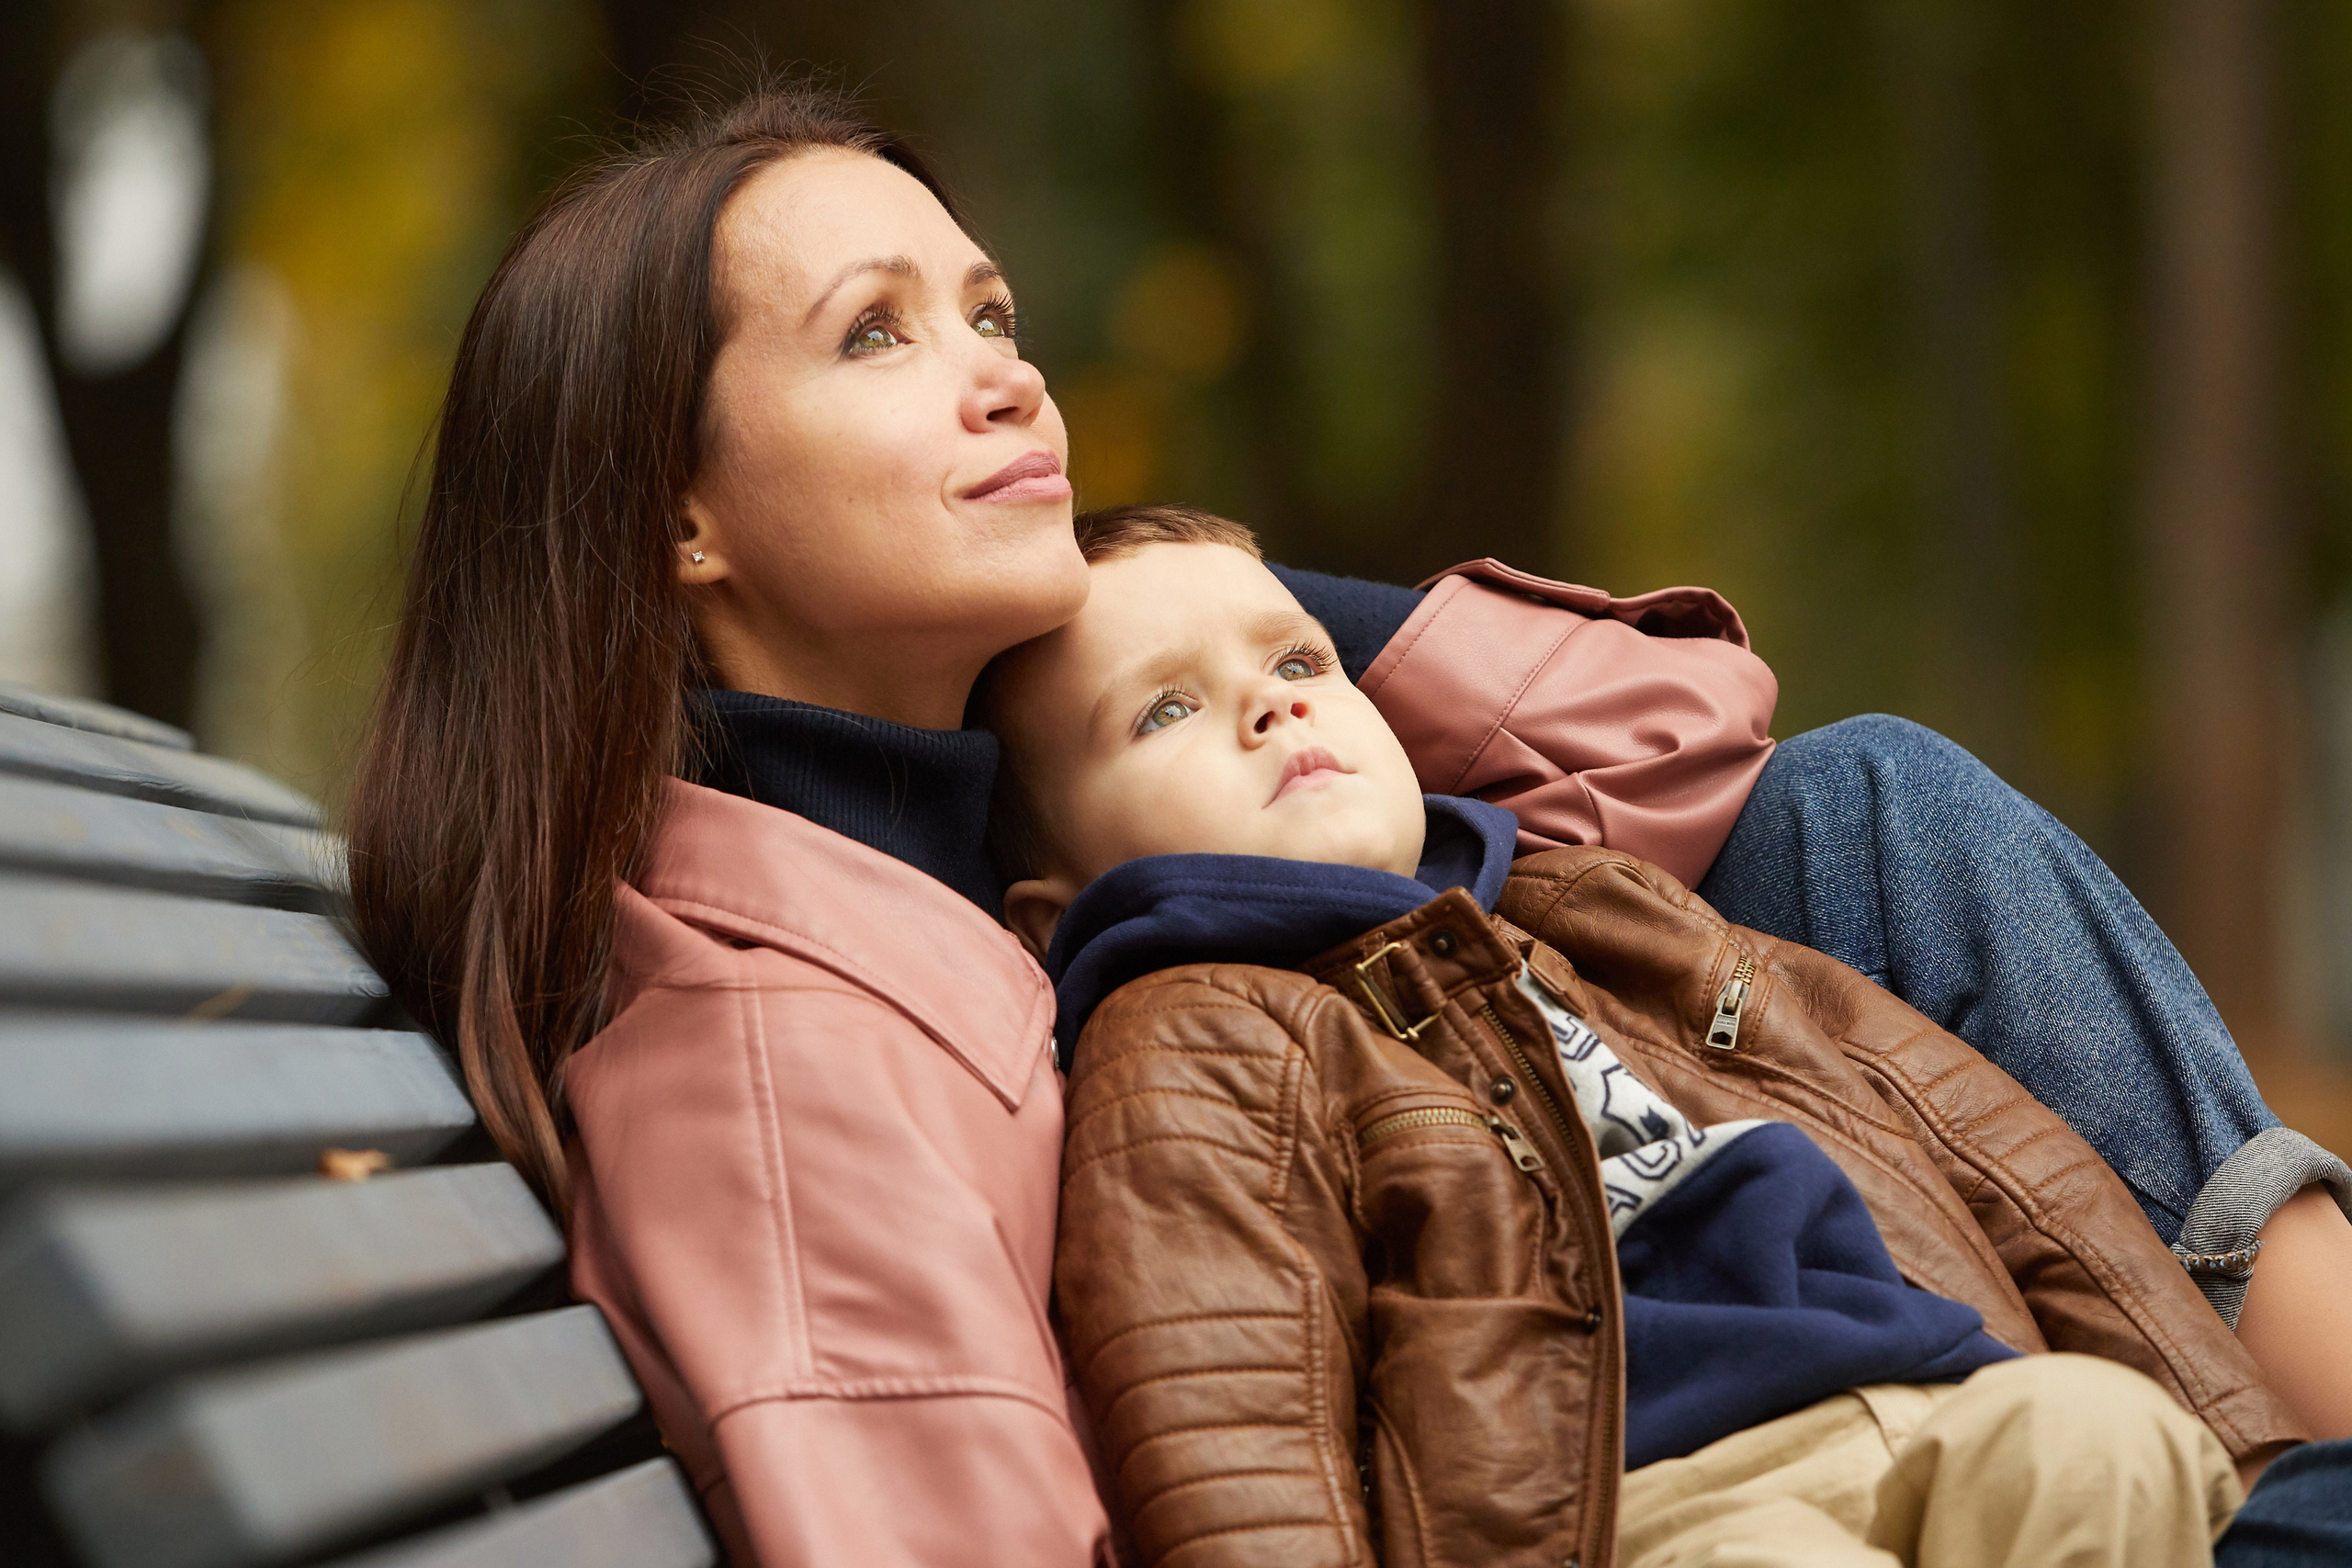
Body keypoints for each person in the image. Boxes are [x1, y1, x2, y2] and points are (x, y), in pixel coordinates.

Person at [342, 85, 2350, 1565]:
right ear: (678, 520)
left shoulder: (1003, 818)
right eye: (879, 333)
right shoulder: (783, 1062)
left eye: (992, 316)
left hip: (1921, 1432)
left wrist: (1199, 608)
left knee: (1863, 798)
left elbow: (1683, 734)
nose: (1006, 382)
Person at [992, 504, 2274, 1567]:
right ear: (1053, 909)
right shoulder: (1190, 1040)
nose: (1272, 709)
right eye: (1164, 711)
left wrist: (2245, 1442)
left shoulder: (1590, 914)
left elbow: (2002, 1165)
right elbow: (1234, 1419)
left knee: (2108, 1441)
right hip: (1642, 1500)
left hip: (1940, 1389)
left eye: (1298, 664)